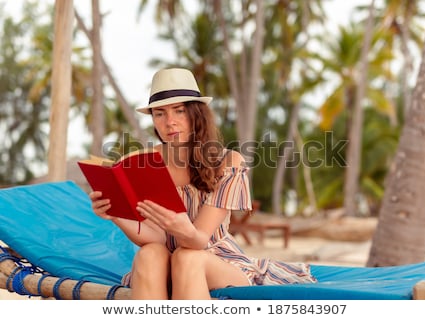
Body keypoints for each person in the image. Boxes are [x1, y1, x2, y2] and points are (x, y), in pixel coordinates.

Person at [89, 68, 316, 299]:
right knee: (149, 254)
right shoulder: (144, 162)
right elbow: (155, 238)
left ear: (197, 114)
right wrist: (116, 214)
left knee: (187, 257)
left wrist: (180, 226)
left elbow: (198, 240)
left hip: (215, 258)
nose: (170, 122)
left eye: (179, 111)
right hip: (164, 261)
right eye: (159, 114)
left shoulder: (227, 161)